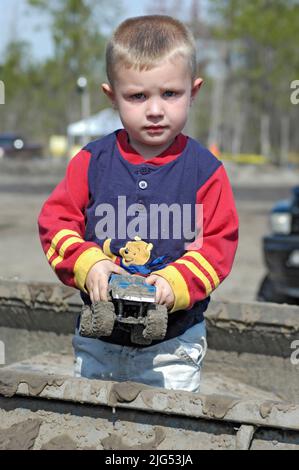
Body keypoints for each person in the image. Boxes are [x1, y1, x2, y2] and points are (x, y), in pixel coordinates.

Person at [38, 15, 238, 393]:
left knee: (169, 432)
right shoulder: (92, 161)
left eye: (170, 94)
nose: (155, 110)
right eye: (137, 96)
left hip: (173, 345)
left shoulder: (205, 171)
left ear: (193, 91)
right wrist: (89, 262)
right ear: (111, 96)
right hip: (99, 337)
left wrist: (173, 282)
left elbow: (217, 245)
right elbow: (55, 222)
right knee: (94, 426)